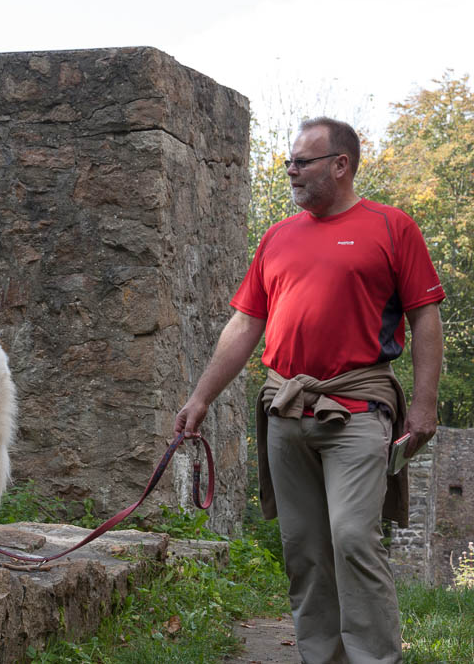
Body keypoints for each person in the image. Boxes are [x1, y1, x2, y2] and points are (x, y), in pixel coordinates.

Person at [175, 117, 444, 664]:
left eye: (303, 161)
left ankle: (374, 659)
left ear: (340, 166)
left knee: (352, 538)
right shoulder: (277, 236)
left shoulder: (392, 228)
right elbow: (245, 325)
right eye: (290, 161)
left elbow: (426, 317)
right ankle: (320, 658)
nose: (291, 171)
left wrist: (423, 404)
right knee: (304, 551)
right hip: (286, 407)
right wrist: (201, 397)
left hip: (360, 405)